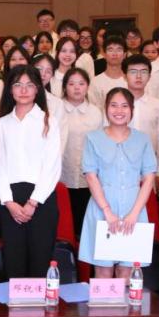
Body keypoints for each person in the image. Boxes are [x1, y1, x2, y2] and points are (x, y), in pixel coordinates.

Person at [79, 88, 157, 317]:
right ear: (106, 108)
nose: (119, 110)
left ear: (132, 110)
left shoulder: (142, 139)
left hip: (134, 211)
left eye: (124, 106)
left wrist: (135, 213)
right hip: (103, 210)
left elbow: (149, 177)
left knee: (126, 270)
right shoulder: (93, 138)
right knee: (103, 270)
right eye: (114, 105)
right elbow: (91, 175)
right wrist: (107, 211)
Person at [0, 65, 61, 317]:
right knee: (15, 260)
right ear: (10, 89)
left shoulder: (48, 120)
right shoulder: (1, 124)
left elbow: (52, 165)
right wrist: (9, 202)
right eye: (17, 84)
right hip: (10, 198)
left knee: (40, 259)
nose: (23, 90)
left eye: (29, 84)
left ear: (38, 89)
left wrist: (33, 201)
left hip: (41, 197)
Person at [61, 68, 103, 239]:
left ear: (87, 86)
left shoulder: (96, 112)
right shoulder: (57, 110)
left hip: (88, 178)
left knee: (84, 224)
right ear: (64, 87)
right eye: (71, 84)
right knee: (64, 225)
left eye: (81, 83)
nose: (77, 88)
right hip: (62, 176)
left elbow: (101, 145)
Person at [121, 54, 159, 158]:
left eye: (143, 72)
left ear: (149, 76)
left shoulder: (157, 105)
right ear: (124, 76)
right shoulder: (115, 105)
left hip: (150, 161)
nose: (139, 76)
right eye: (133, 72)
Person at [87, 35, 128, 107]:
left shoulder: (131, 81)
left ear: (124, 55)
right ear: (104, 54)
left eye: (119, 50)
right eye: (110, 50)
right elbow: (93, 109)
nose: (114, 54)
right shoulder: (95, 82)